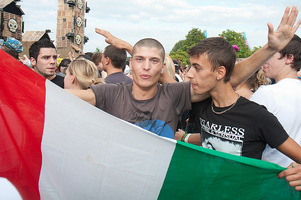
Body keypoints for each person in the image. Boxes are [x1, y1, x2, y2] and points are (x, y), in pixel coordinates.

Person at [250, 34, 301, 168]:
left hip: (272, 174)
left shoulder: (267, 93)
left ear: (289, 58)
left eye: (270, 54)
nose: (264, 61)